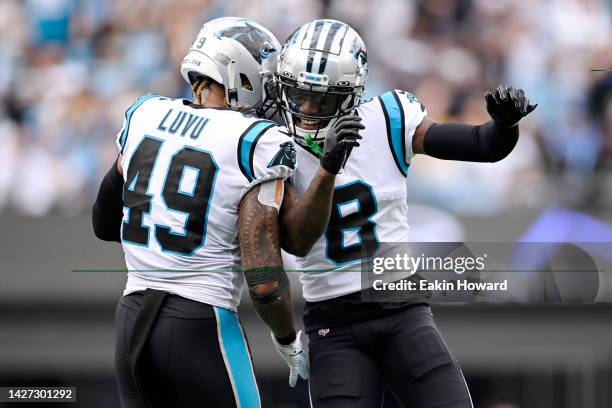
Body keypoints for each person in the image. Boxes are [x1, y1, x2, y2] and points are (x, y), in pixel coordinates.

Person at [92, 17, 363, 407]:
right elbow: (265, 280)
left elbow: (104, 222)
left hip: (131, 315)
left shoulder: (145, 114)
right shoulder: (256, 142)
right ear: (241, 74)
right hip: (199, 322)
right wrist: (287, 339)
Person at [274, 19, 537, 408]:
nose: (308, 110)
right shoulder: (272, 143)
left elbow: (482, 145)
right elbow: (295, 240)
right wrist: (328, 167)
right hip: (333, 323)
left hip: (402, 310)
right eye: (300, 95)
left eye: (323, 100)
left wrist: (505, 125)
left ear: (352, 96)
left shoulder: (388, 120)